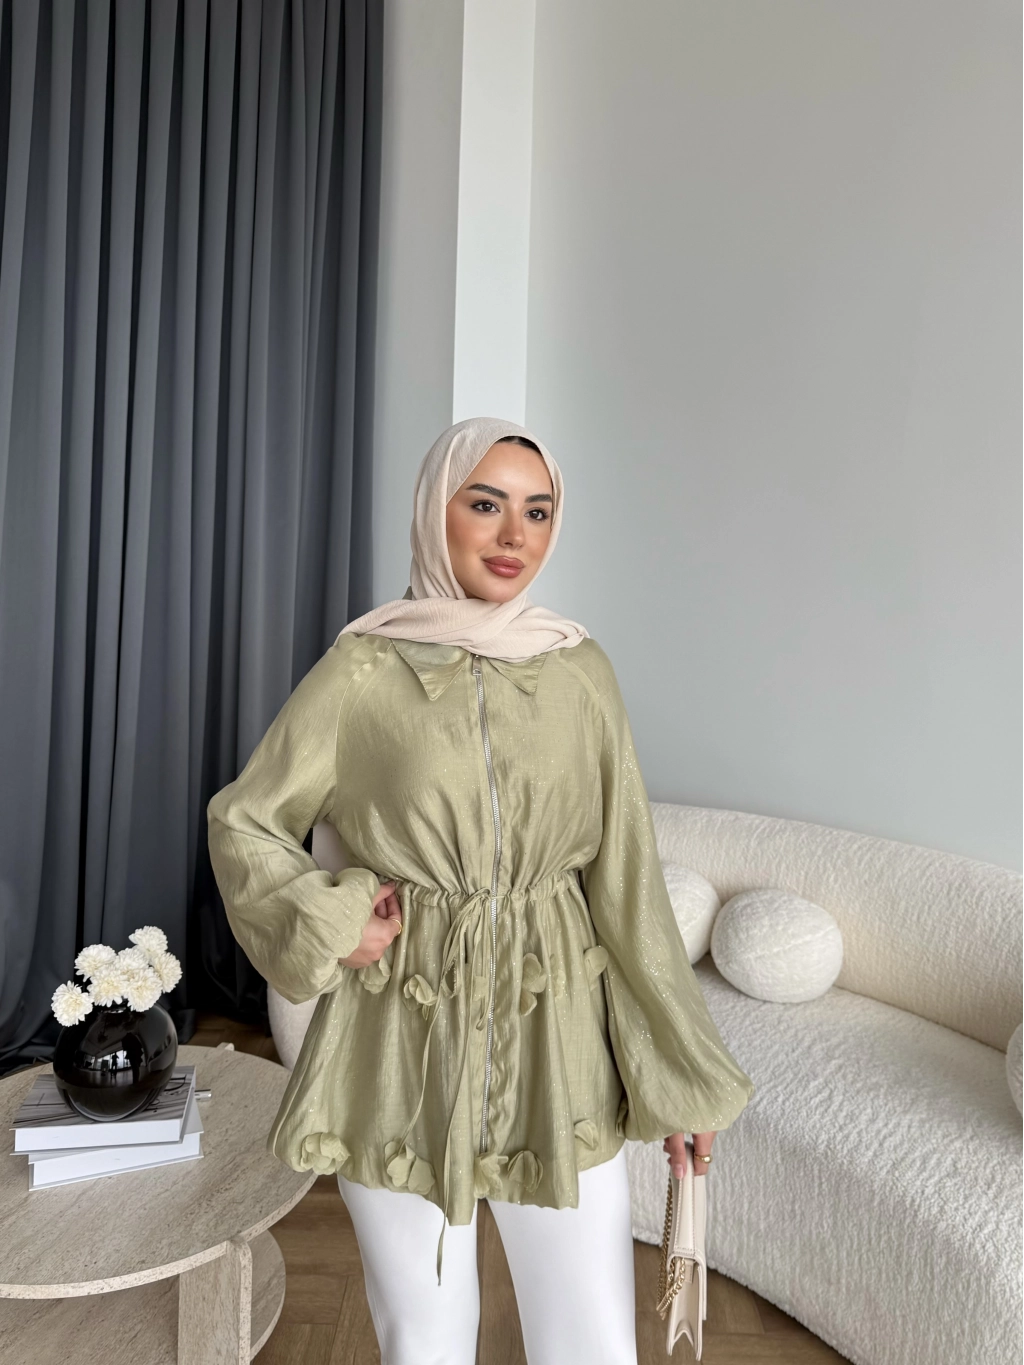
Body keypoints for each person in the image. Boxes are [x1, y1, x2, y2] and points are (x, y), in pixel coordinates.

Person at [207, 417, 755, 1365]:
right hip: (399, 1044)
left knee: (591, 1340)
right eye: (486, 504)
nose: (514, 536)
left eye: (537, 512)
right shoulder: (362, 670)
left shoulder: (580, 670)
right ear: (437, 511)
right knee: (423, 1339)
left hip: (558, 1044)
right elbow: (243, 820)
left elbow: (627, 885)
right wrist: (332, 917)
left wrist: (681, 1079)